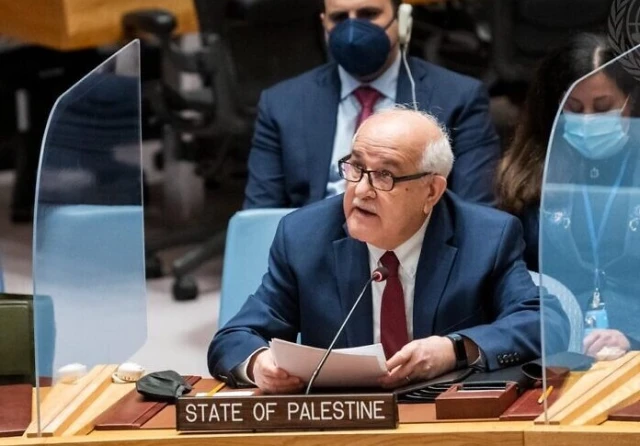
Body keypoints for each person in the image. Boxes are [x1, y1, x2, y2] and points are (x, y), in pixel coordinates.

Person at [209, 107, 569, 394]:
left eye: (385, 176)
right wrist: (259, 364)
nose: (361, 190)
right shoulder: (304, 236)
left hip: (443, 421)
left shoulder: (486, 237)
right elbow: (234, 338)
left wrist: (455, 349)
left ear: (432, 191)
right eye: (356, 168)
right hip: (344, 423)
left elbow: (545, 321)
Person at [242, 0, 500, 210]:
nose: (353, 30)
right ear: (324, 25)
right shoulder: (282, 104)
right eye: (340, 18)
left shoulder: (459, 98)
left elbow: (477, 214)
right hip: (314, 249)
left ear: (402, 20)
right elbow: (258, 218)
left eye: (369, 14)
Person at [495, 33, 640, 359]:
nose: (587, 119)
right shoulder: (529, 172)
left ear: (630, 102)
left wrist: (633, 335)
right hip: (555, 346)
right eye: (574, 109)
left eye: (602, 108)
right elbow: (513, 279)